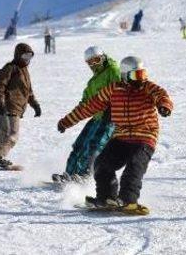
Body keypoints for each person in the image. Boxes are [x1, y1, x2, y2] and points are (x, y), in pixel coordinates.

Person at [57, 56, 174, 214]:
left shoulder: (148, 87)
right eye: (135, 76)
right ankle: (106, 197)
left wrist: (164, 106)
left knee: (134, 166)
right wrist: (66, 121)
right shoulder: (113, 90)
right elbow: (89, 107)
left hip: (144, 137)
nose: (141, 79)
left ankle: (128, 200)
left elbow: (162, 95)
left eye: (142, 74)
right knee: (102, 163)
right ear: (125, 75)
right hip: (121, 138)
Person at [52, 46, 121, 183]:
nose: (94, 64)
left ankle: (86, 174)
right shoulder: (92, 82)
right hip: (97, 118)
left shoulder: (113, 70)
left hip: (110, 118)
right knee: (79, 145)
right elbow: (84, 105)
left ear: (103, 57)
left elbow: (121, 91)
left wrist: (114, 110)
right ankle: (70, 173)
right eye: (90, 62)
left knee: (95, 145)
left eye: (97, 60)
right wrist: (67, 121)